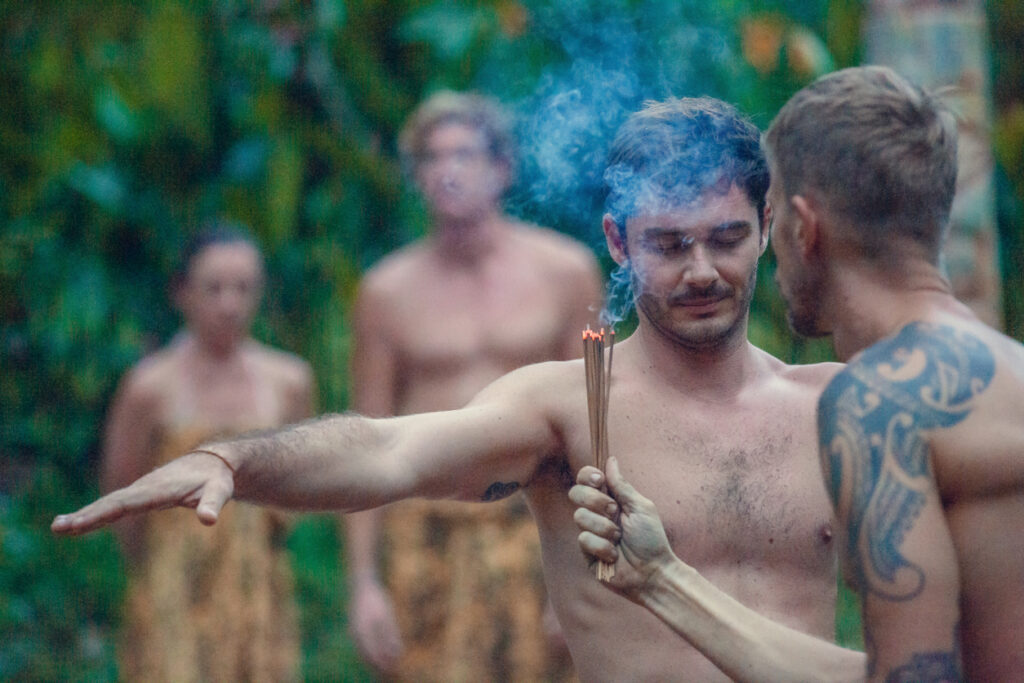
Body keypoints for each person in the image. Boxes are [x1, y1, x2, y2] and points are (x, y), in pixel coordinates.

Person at [54, 97, 863, 681]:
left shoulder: (838, 408)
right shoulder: (562, 407)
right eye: (668, 243)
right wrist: (235, 458)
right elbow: (388, 445)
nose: (699, 271)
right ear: (619, 241)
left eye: (725, 238)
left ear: (768, 229)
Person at [572, 66, 1024, 681]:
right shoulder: (1009, 370)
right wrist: (662, 579)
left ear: (803, 228)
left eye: (767, 218)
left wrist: (661, 580)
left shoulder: (879, 400)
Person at [343, 91, 601, 681]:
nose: (448, 170)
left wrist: (586, 565)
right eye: (432, 159)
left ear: (502, 168)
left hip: (535, 525)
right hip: (425, 530)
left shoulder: (565, 272)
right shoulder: (386, 291)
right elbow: (366, 439)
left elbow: (599, 423)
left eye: (465, 154)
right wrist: (364, 583)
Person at [100, 224, 315, 682]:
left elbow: (306, 483)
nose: (229, 305)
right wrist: (156, 572)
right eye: (213, 288)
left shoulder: (289, 381)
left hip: (259, 583)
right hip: (173, 585)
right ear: (182, 292)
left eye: (243, 288)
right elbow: (122, 496)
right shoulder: (149, 388)